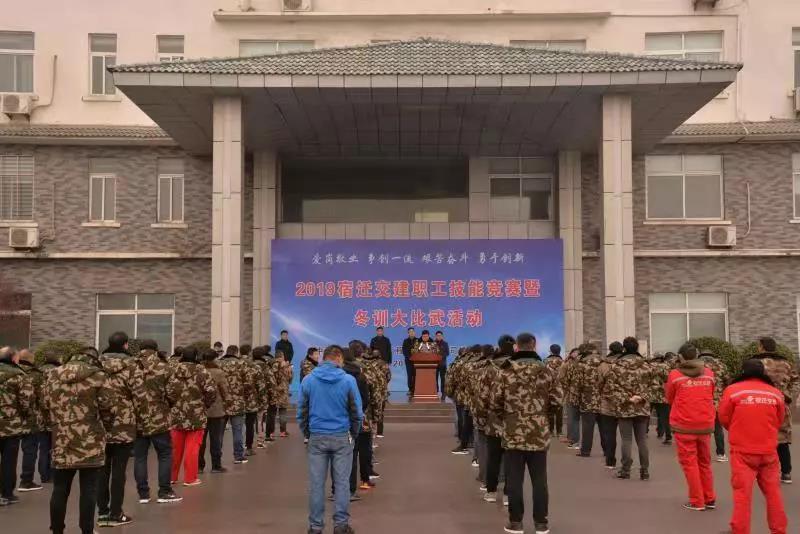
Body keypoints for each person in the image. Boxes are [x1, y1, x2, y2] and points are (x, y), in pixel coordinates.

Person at [490, 333, 561, 534]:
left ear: (517, 347)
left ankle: (516, 522)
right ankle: (541, 523)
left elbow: (495, 403)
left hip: (513, 433)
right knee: (540, 480)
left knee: (514, 480)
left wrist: (509, 418)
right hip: (539, 432)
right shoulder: (546, 371)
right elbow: (557, 402)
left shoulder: (505, 372)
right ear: (534, 345)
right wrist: (542, 417)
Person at [45, 347, 115, 534]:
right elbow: (108, 407)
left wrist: (55, 424)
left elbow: (44, 405)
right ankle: (87, 530)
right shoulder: (98, 376)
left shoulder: (52, 375)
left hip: (62, 439)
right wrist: (106, 428)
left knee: (60, 488)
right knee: (89, 489)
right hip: (90, 440)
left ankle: (57, 530)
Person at [297, 345, 363, 534]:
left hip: (317, 436)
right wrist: (353, 433)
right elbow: (357, 412)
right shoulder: (348, 380)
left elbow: (302, 411)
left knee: (316, 485)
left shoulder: (308, 380)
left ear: (323, 358)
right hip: (341, 436)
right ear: (339, 358)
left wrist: (308, 434)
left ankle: (315, 526)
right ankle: (341, 525)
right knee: (342, 483)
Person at [719, 359, 788, 534]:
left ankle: (740, 530)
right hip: (768, 451)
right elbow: (779, 419)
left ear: (743, 372)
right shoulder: (775, 393)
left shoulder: (732, 390)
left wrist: (738, 428)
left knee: (742, 495)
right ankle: (779, 530)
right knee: (773, 493)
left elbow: (724, 418)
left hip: (742, 451)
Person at [97, 332, 145, 527]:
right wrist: (140, 421)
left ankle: (102, 512)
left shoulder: (96, 364)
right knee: (119, 470)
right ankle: (116, 512)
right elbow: (140, 396)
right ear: (125, 345)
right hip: (123, 424)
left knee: (101, 469)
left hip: (100, 424)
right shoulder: (132, 365)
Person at [666, 344, 717, 511]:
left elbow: (670, 397)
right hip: (705, 423)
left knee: (689, 463)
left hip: (684, 424)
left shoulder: (675, 375)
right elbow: (711, 393)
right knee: (705, 462)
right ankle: (709, 498)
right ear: (697, 355)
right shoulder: (709, 373)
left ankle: (697, 500)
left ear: (680, 357)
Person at [133, 340, 180, 505]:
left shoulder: (132, 366)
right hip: (159, 417)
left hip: (137, 418)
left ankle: (143, 494)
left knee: (140, 456)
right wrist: (167, 404)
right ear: (155, 349)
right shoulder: (164, 367)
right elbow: (174, 392)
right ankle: (164, 491)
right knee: (165, 454)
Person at [750, 336, 800, 484]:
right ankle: (786, 473)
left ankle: (761, 472)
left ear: (762, 347)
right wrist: (788, 396)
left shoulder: (755, 363)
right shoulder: (786, 363)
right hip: (781, 404)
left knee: (760, 438)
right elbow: (796, 381)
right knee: (782, 440)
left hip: (760, 404)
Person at [166, 346, 216, 487]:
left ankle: (171, 477)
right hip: (196, 415)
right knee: (192, 448)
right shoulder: (202, 371)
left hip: (176, 414)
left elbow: (168, 391)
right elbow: (211, 391)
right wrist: (204, 405)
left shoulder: (173, 370)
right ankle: (190, 478)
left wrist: (173, 404)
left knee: (174, 448)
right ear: (196, 357)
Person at [604, 337, 652, 481]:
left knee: (626, 439)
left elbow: (610, 389)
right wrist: (641, 397)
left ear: (624, 348)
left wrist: (627, 398)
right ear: (637, 348)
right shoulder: (646, 365)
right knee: (642, 440)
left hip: (624, 408)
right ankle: (645, 471)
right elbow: (654, 386)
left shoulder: (616, 366)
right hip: (642, 407)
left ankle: (625, 470)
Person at [479, 336, 514, 505]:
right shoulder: (518, 367)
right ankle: (508, 494)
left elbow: (483, 396)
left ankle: (491, 491)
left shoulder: (489, 368)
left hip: (494, 421)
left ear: (498, 347)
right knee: (512, 459)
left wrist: (482, 417)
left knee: (493, 458)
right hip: (515, 422)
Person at [0, 346, 34, 506]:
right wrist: (24, 415)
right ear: (13, 358)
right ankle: (7, 493)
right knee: (8, 461)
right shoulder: (19, 376)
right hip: (10, 426)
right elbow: (26, 401)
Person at [17, 348, 47, 492]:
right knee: (29, 450)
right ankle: (26, 480)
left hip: (8, 419)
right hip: (31, 419)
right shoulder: (37, 376)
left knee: (7, 453)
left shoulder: (11, 372)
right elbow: (43, 399)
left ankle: (5, 484)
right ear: (31, 359)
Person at [342, 349, 370, 501]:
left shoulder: (339, 376)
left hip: (340, 420)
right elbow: (366, 399)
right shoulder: (360, 375)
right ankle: (354, 487)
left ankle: (336, 490)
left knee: (340, 456)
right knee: (358, 452)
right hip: (358, 418)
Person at [218, 345, 249, 464]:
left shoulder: (218, 363)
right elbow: (248, 383)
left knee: (219, 432)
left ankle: (217, 458)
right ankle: (238, 456)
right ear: (236, 352)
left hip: (222, 403)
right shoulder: (242, 364)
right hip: (237, 402)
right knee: (237, 430)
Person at [698, 349, 731, 462]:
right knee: (718, 429)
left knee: (701, 429)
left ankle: (701, 454)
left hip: (701, 402)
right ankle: (721, 454)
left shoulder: (697, 366)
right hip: (717, 402)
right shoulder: (721, 365)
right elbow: (728, 382)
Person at [199, 349, 228, 474]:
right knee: (216, 439)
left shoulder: (199, 371)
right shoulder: (218, 372)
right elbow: (224, 390)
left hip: (201, 409)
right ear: (215, 359)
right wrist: (226, 402)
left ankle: (199, 466)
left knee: (200, 440)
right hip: (216, 410)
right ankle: (216, 465)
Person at [596, 342, 623, 468]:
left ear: (610, 350)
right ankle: (626, 462)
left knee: (609, 433)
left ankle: (610, 459)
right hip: (625, 404)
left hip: (607, 402)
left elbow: (598, 383)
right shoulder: (625, 363)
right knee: (626, 436)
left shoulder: (603, 365)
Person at [574, 343, 603, 458]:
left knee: (587, 427)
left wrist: (576, 399)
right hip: (604, 400)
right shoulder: (604, 362)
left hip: (587, 399)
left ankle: (585, 451)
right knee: (605, 428)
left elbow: (577, 384)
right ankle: (607, 451)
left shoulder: (581, 364)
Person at [241, 344, 265, 456]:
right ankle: (248, 447)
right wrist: (262, 401)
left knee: (238, 425)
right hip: (251, 400)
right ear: (250, 352)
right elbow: (261, 386)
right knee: (249, 424)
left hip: (235, 401)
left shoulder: (235, 365)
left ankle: (238, 449)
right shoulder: (255, 367)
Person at [558, 348, 581, 449]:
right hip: (572, 393)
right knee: (572, 417)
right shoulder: (567, 364)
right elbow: (561, 378)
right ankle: (571, 437)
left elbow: (562, 378)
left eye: (578, 353)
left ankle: (573, 440)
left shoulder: (573, 364)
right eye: (574, 352)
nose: (576, 354)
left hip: (573, 394)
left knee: (573, 418)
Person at [251, 346, 273, 449]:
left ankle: (248, 442)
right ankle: (260, 441)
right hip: (262, 396)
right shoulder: (265, 366)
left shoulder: (249, 365)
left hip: (249, 396)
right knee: (261, 419)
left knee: (249, 420)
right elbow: (270, 381)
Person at [648, 352, 673, 446]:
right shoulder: (666, 367)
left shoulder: (648, 366)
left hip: (650, 394)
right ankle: (667, 436)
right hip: (663, 395)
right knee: (664, 417)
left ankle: (644, 432)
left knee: (646, 414)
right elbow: (668, 380)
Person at [543, 345, 564, 439]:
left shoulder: (545, 361)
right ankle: (559, 432)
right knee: (559, 412)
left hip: (548, 390)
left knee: (549, 412)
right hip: (560, 390)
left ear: (551, 351)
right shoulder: (563, 362)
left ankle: (551, 431)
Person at [271, 350, 293, 438]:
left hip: (273, 391)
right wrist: (290, 370)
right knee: (283, 411)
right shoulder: (286, 366)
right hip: (283, 392)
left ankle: (271, 432)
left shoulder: (272, 364)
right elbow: (290, 380)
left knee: (272, 412)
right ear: (282, 356)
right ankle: (283, 431)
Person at [402, 328, 418, 396]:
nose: (411, 333)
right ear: (408, 333)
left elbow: (420, 350)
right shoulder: (405, 341)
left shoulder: (418, 340)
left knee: (416, 375)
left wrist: (415, 357)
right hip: (408, 361)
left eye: (412, 331)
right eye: (410, 332)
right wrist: (410, 357)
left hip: (416, 361)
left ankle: (416, 389)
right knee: (409, 375)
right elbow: (404, 351)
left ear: (414, 332)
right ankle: (410, 389)